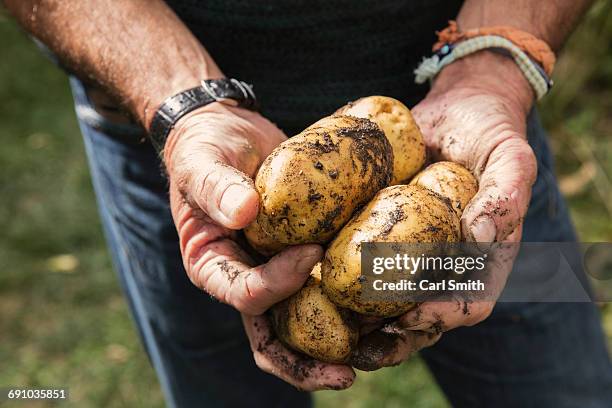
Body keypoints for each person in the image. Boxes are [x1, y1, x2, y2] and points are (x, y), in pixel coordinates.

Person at [6, 0, 612, 406]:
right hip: (179, 147)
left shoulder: (458, 173)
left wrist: (494, 67)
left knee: (564, 390)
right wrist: (180, 106)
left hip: (466, 148)